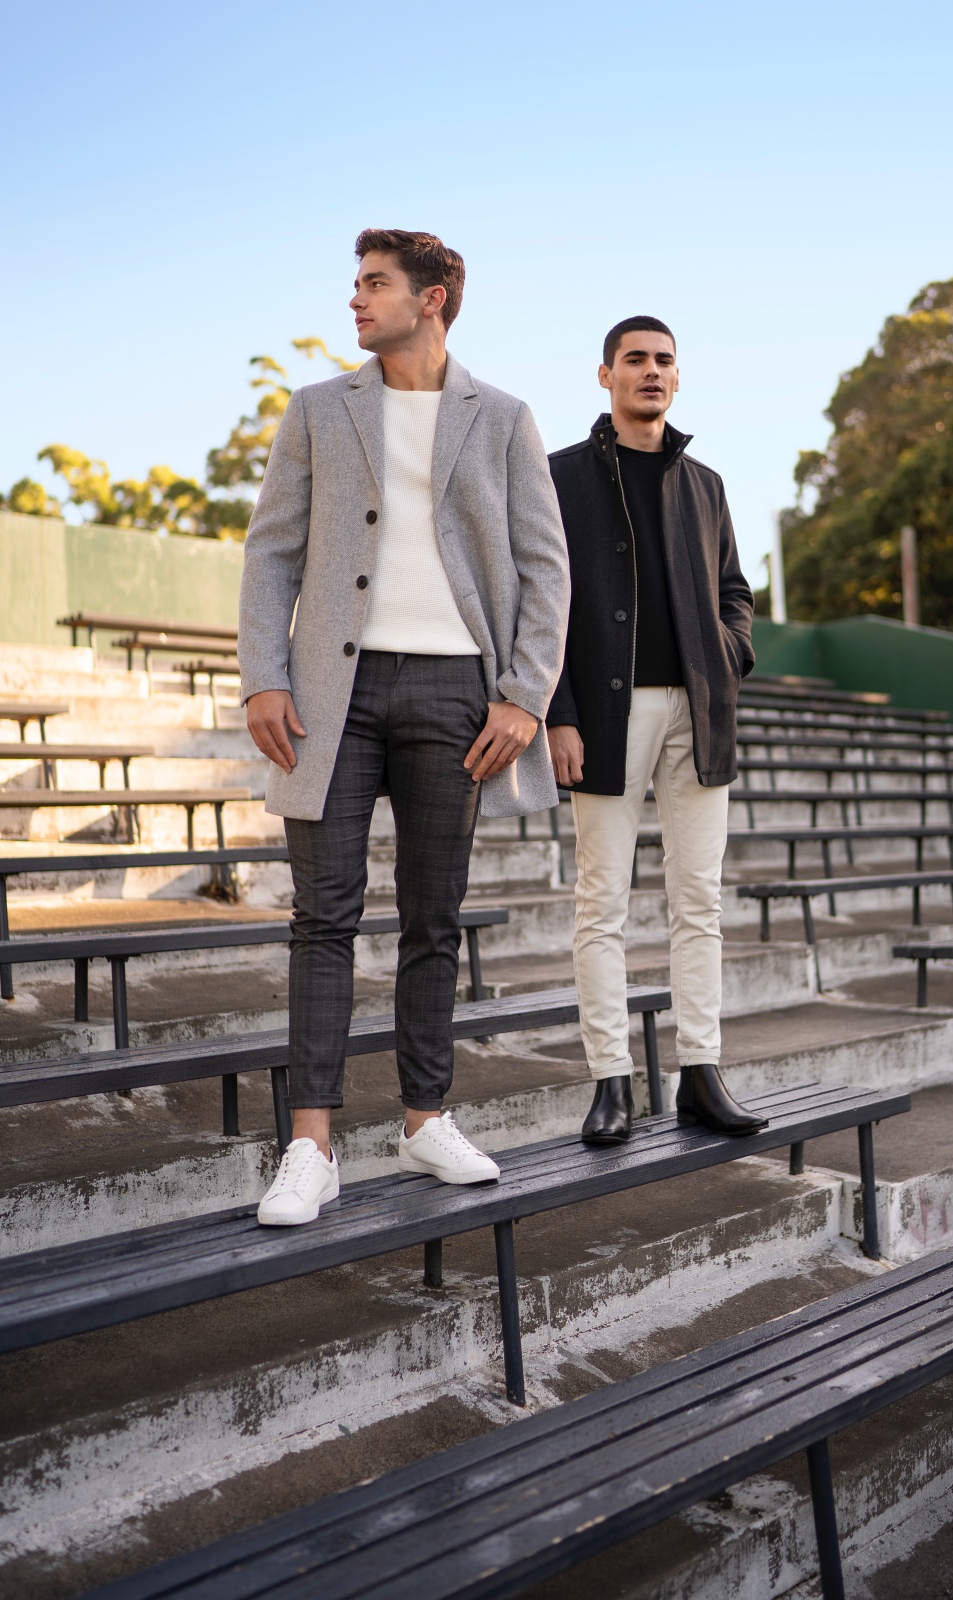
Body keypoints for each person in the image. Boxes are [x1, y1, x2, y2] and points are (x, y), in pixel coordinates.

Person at [239, 229, 569, 1224]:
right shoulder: (317, 409)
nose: (356, 298)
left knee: (434, 917)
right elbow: (271, 553)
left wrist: (524, 695)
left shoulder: (503, 418)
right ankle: (310, 1146)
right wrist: (263, 677)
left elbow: (546, 567)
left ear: (432, 298)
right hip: (330, 694)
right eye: (355, 283)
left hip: (456, 694)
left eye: (374, 283)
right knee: (322, 917)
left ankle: (426, 1119)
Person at [546, 315, 767, 1144]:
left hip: (699, 713)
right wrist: (559, 713)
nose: (651, 371)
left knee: (699, 901)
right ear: (605, 374)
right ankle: (610, 1082)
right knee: (601, 902)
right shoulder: (560, 475)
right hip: (607, 716)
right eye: (634, 359)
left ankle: (701, 1074)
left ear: (678, 377)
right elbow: (541, 604)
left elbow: (735, 591)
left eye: (664, 360)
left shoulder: (705, 484)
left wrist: (729, 655)